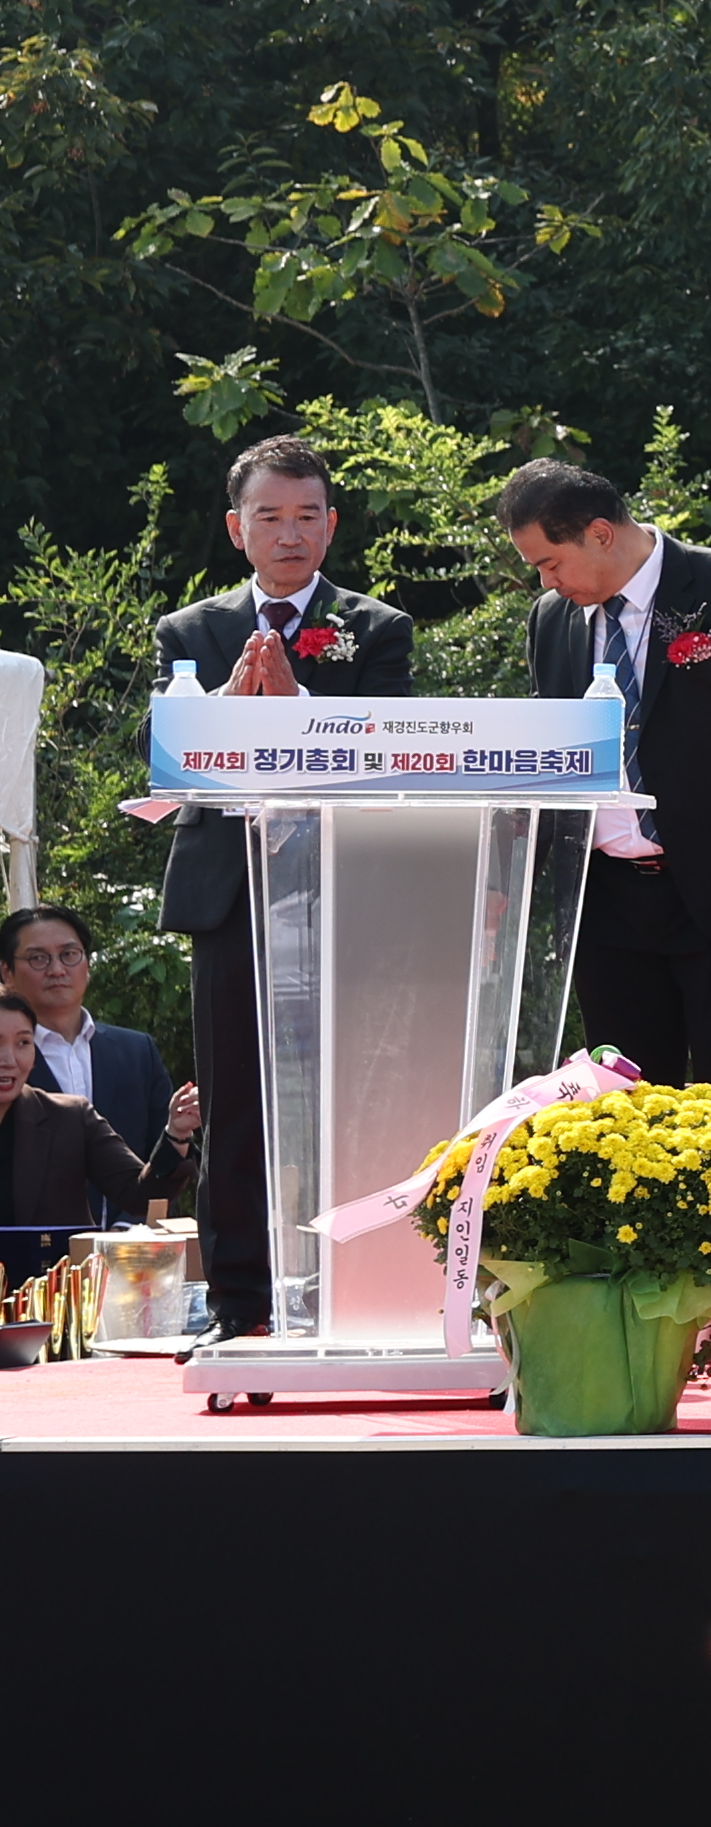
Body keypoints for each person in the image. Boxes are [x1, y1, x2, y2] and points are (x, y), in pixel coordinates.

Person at [157, 435, 418, 1331]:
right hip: (230, 890)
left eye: (308, 516)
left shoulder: (376, 628)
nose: (291, 533)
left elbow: (392, 750)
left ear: (332, 525)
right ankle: (240, 1303)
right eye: (270, 517)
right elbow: (162, 758)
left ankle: (366, 1292)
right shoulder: (189, 632)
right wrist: (226, 712)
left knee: (359, 1094)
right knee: (235, 1099)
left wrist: (299, 706)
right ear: (238, 529)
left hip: (343, 888)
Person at [503, 458, 711, 1105]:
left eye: (550, 563)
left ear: (600, 533)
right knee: (625, 1106)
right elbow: (550, 756)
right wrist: (508, 883)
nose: (546, 581)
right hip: (606, 901)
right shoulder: (552, 618)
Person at [4, 903, 179, 1274]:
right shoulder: (13, 1069)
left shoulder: (136, 1051)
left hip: (114, 1263)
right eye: (38, 958)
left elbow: (145, 1178)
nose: (56, 969)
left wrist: (177, 1136)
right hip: (30, 1265)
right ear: (7, 971)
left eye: (69, 954)